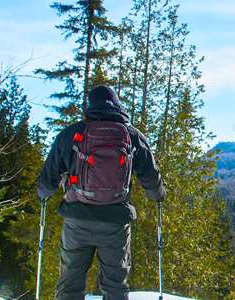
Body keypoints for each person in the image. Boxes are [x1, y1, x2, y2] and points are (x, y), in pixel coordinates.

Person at [37, 85, 166, 300]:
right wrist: (158, 195)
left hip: (76, 220)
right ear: (117, 105)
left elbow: (48, 178)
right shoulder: (132, 135)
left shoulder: (71, 134)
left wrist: (43, 194)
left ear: (90, 105)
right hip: (115, 223)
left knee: (70, 283)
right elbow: (151, 177)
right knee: (115, 285)